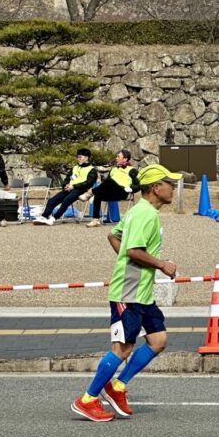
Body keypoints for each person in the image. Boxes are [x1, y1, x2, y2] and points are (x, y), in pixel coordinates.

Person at [71, 163, 179, 422]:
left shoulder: (139, 211)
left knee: (158, 340)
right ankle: (87, 399)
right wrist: (161, 264)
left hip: (141, 293)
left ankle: (117, 387)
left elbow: (113, 235)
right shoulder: (145, 214)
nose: (173, 188)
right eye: (170, 184)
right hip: (128, 292)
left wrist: (129, 261)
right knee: (122, 348)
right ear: (156, 187)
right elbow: (133, 250)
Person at [35, 148, 98, 225]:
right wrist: (66, 185)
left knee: (66, 200)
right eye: (77, 157)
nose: (78, 159)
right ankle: (44, 216)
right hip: (69, 188)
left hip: (81, 189)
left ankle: (54, 218)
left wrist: (74, 186)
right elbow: (68, 178)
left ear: (86, 157)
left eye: (80, 157)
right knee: (52, 200)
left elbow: (88, 183)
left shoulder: (92, 170)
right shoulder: (75, 167)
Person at [84, 149, 138, 228]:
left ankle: (91, 193)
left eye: (118, 157)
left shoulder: (132, 170)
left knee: (109, 181)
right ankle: (96, 220)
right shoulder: (113, 169)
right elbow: (106, 185)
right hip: (111, 192)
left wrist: (131, 188)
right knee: (98, 195)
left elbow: (139, 185)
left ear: (125, 159)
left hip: (122, 191)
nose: (116, 158)